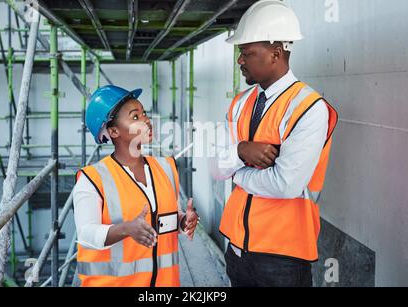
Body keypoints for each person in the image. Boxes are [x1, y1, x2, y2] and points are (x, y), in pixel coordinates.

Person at [211, 0, 338, 287]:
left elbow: (286, 185)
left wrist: (236, 172)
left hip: (282, 258)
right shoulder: (240, 104)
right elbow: (214, 166)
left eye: (246, 53)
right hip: (236, 249)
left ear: (275, 53)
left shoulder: (308, 108)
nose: (240, 61)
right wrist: (242, 151)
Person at [73, 85, 199, 287]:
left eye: (144, 113)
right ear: (113, 131)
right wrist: (125, 229)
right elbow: (86, 235)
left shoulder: (166, 167)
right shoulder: (93, 178)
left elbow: (164, 219)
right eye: (135, 117)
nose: (146, 120)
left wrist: (183, 221)